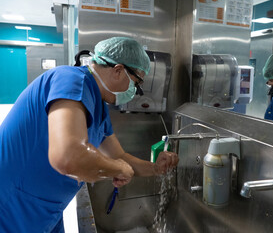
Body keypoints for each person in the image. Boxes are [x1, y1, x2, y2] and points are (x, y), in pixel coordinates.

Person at [0, 37, 179, 232]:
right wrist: (117, 169)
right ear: (118, 70)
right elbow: (68, 156)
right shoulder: (71, 79)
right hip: (12, 208)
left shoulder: (97, 104)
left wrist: (155, 169)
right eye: (135, 83)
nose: (134, 92)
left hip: (47, 211)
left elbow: (119, 156)